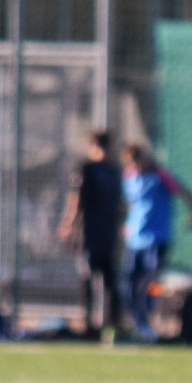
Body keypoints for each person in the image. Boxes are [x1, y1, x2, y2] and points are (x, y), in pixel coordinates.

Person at [120, 144, 192, 342]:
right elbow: (129, 204)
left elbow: (185, 192)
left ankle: (150, 320)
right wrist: (125, 224)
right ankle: (138, 323)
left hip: (156, 239)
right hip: (134, 240)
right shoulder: (128, 177)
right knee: (130, 283)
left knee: (150, 282)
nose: (136, 166)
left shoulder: (159, 175)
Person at [56, 130, 125, 340]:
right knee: (98, 280)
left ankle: (100, 325)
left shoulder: (101, 170)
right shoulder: (103, 171)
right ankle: (100, 325)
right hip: (98, 235)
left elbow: (77, 200)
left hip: (97, 235)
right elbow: (77, 199)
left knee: (99, 281)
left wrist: (67, 224)